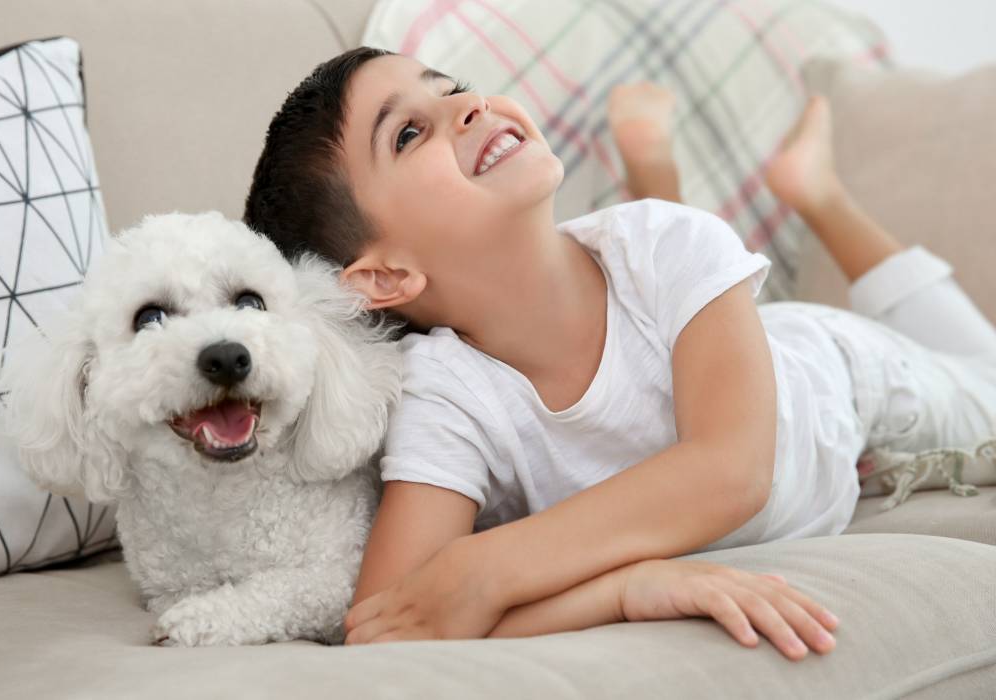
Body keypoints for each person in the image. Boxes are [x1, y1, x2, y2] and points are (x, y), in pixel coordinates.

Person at [244, 48, 996, 660]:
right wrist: (625, 590)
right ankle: (735, 177)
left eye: (451, 87)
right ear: (383, 278)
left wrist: (487, 566)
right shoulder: (445, 395)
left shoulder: (670, 243)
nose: (465, 106)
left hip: (836, 375)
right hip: (711, 333)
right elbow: (389, 621)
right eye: (408, 134)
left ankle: (819, 195)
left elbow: (732, 472)